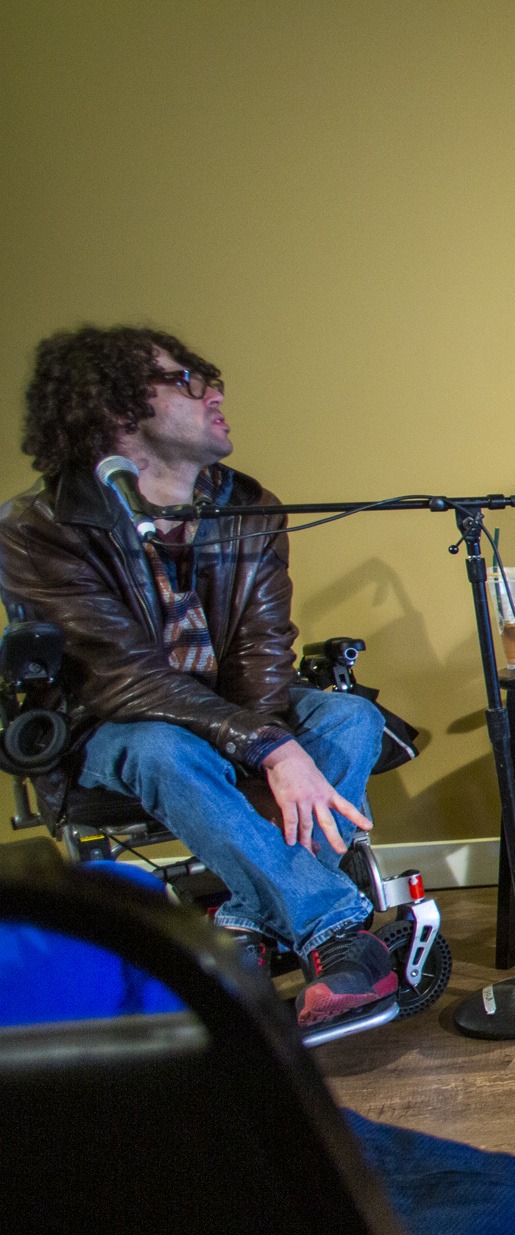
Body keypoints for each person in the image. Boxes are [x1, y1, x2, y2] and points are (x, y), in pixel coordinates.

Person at [0, 325, 393, 1026]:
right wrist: (269, 749)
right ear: (117, 412)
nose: (215, 392)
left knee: (350, 718)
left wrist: (268, 735)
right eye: (187, 381)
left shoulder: (246, 504)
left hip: (229, 715)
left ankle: (242, 925)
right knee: (163, 747)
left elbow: (262, 654)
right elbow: (122, 680)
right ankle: (338, 933)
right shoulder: (37, 528)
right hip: (112, 729)